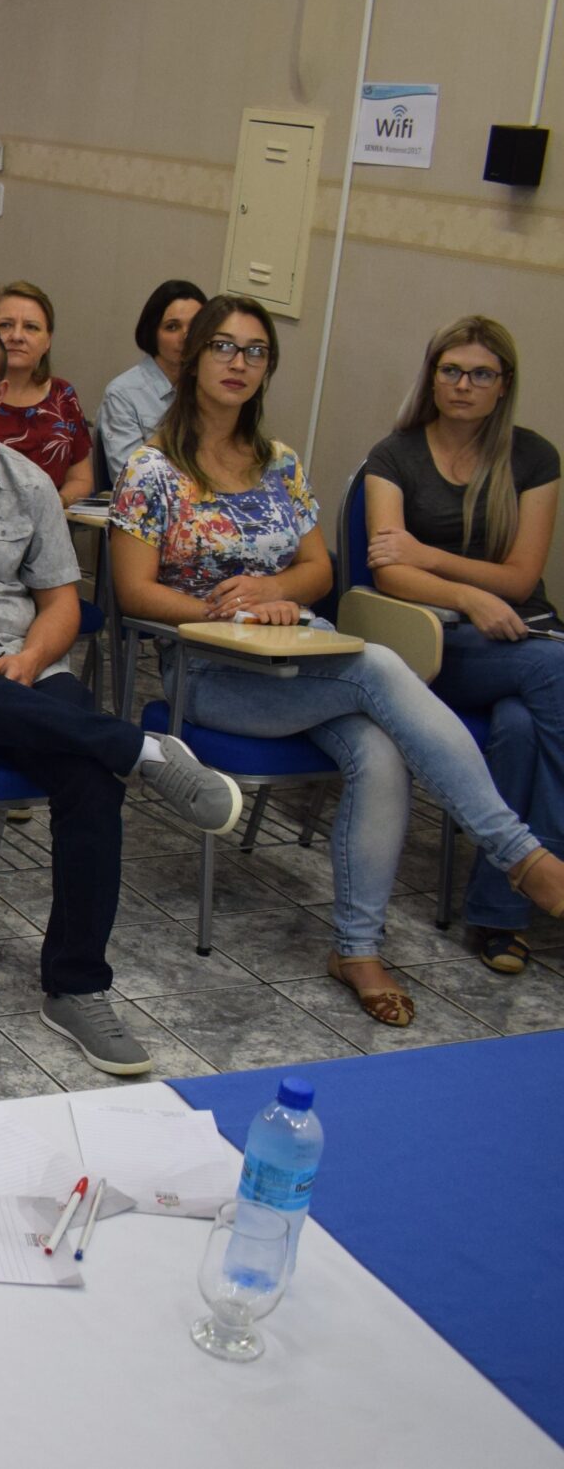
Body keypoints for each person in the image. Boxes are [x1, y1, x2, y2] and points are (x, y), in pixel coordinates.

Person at [109, 295, 564, 1028]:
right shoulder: (152, 469)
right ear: (194, 360)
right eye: (223, 347)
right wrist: (236, 609)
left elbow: (319, 571)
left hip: (301, 658)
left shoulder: (278, 463)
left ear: (267, 369)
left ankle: (356, 949)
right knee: (379, 667)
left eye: (255, 352)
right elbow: (134, 591)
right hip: (215, 674)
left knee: (380, 747)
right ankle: (521, 854)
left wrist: (278, 591)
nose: (238, 363)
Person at [0, 312, 242, 1076]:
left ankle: (76, 988)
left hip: (24, 672)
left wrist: (37, 654)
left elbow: (61, 604)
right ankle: (139, 747)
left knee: (88, 781)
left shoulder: (32, 486)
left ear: (0, 389)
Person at [362, 315, 564, 971]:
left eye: (481, 374)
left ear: (503, 385)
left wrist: (431, 556)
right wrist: (470, 596)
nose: (463, 385)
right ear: (433, 375)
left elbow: (523, 577)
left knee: (519, 728)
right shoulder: (394, 455)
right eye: (451, 370)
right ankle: (552, 870)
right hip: (437, 645)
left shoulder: (534, 457)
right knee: (558, 671)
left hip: (521, 637)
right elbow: (391, 574)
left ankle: (501, 917)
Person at [0, 281, 97, 503]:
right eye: (5, 325)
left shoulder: (62, 395)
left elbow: (81, 480)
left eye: (31, 327)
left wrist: (52, 508)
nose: (16, 336)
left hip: (47, 525)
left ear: (48, 340)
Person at [94, 279, 205, 486]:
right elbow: (131, 480)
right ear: (153, 333)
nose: (186, 336)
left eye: (196, 326)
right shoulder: (123, 393)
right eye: (172, 327)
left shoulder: (210, 388)